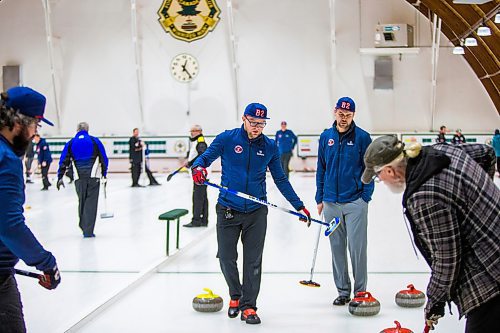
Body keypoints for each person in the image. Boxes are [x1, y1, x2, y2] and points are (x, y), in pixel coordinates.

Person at [361, 135, 499, 333]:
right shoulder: (441, 151)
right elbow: (486, 153)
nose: (380, 181)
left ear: (389, 171)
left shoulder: (424, 198)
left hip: (491, 275)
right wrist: (481, 201)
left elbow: (447, 259)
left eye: (378, 176)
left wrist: (434, 301)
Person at [191, 103, 311, 324]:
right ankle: (235, 295)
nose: (257, 127)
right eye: (254, 122)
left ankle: (249, 305)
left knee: (253, 261)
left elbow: (280, 178)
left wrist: (298, 205)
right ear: (244, 118)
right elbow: (205, 158)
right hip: (227, 207)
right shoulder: (227, 139)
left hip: (256, 211)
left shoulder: (270, 146)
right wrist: (198, 168)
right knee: (226, 258)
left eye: (262, 124)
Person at [0, 86, 61, 332]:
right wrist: (46, 262)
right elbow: (8, 224)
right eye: (36, 125)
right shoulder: (5, 159)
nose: (35, 132)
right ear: (18, 122)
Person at [315, 96, 374, 306]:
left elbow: (371, 167)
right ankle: (342, 291)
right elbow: (321, 168)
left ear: (353, 116)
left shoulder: (363, 137)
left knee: (357, 248)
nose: (344, 118)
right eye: (341, 114)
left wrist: (365, 197)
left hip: (355, 202)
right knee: (337, 247)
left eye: (348, 115)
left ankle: (360, 291)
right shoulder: (325, 137)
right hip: (331, 202)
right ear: (335, 112)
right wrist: (319, 197)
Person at [57, 122, 109, 238]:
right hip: (93, 177)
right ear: (87, 129)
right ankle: (88, 230)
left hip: (78, 178)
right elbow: (104, 158)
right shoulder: (95, 141)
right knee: (91, 203)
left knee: (82, 201)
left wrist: (60, 176)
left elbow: (63, 160)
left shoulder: (71, 143)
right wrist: (104, 174)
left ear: (77, 130)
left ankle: (83, 226)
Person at [183, 125, 208, 227]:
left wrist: (190, 163)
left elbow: (201, 155)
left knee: (197, 198)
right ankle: (204, 220)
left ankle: (196, 220)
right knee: (203, 197)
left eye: (193, 131)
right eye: (191, 131)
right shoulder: (197, 141)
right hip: (200, 175)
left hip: (200, 175)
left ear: (199, 131)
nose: (192, 133)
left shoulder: (200, 141)